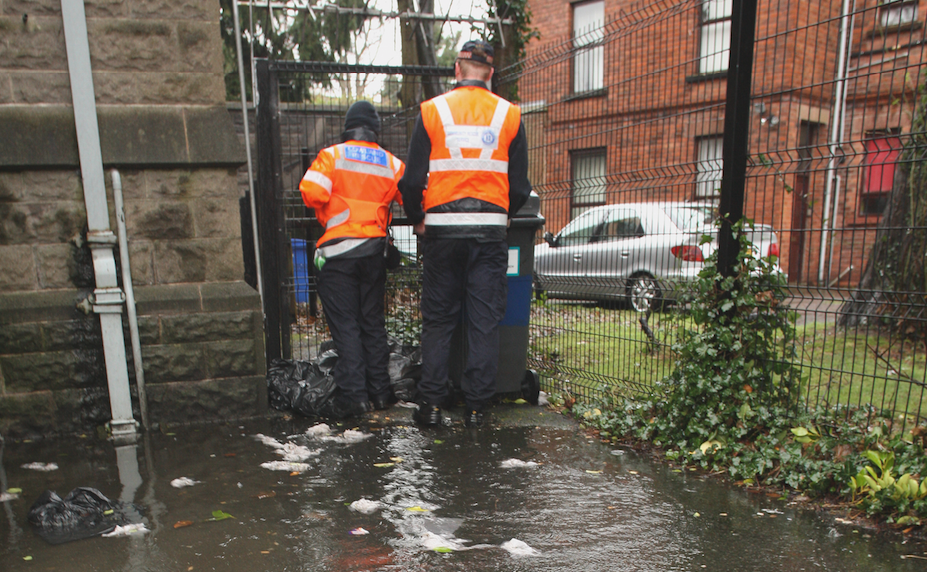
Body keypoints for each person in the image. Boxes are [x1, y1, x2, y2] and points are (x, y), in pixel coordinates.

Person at [399, 40, 532, 428]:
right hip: (489, 233)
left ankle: (432, 406)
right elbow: (520, 184)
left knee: (439, 320)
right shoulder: (509, 115)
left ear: (457, 70)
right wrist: (504, 213)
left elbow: (410, 181)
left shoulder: (433, 111)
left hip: (441, 232)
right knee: (483, 320)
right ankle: (476, 409)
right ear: (490, 73)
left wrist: (417, 218)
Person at [299, 101, 405, 419]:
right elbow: (414, 194)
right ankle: (381, 394)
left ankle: (355, 397)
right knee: (371, 323)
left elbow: (312, 193)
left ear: (348, 126)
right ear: (375, 129)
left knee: (346, 324)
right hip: (374, 253)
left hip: (339, 254)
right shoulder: (391, 163)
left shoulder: (332, 156)